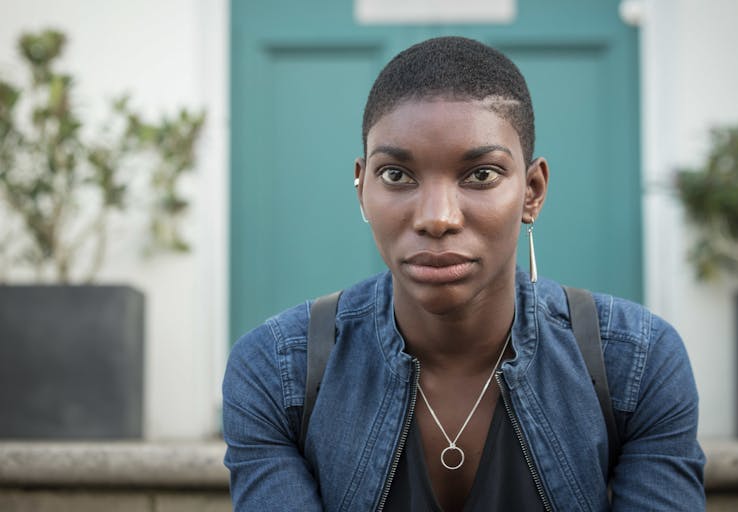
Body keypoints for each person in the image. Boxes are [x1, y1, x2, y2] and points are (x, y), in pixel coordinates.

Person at [222, 36, 706, 511]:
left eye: (481, 174)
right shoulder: (277, 371)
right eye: (396, 174)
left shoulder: (635, 362)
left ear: (532, 191)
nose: (438, 217)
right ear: (361, 187)